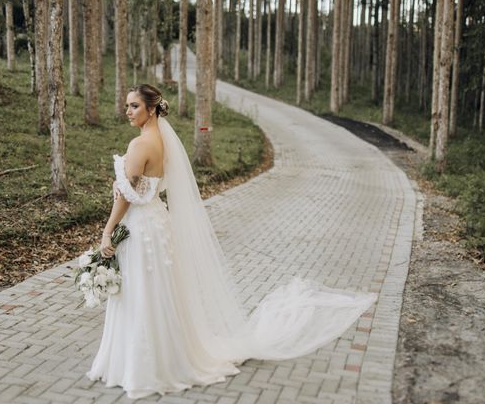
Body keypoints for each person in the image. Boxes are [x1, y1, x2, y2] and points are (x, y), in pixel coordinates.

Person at [86, 84, 376, 399]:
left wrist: (107, 230)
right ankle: (165, 357)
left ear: (151, 108)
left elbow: (127, 197)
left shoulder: (140, 144)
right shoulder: (162, 142)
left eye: (133, 106)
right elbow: (153, 186)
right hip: (157, 221)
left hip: (141, 226)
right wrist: (128, 190)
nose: (127, 111)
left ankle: (141, 366)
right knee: (158, 292)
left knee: (141, 292)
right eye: (127, 106)